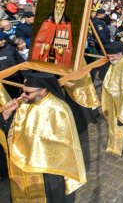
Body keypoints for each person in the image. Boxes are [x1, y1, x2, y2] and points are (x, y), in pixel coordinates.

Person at [0, 72, 87, 202]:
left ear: (43, 91)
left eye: (28, 93)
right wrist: (6, 117)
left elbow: (65, 145)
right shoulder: (24, 104)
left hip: (49, 169)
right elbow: (14, 130)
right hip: (25, 164)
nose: (22, 95)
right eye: (22, 91)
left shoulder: (58, 108)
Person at [31, 0, 73, 66]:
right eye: (58, 2)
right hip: (45, 59)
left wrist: (62, 51)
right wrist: (43, 46)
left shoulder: (67, 23)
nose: (60, 6)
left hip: (57, 61)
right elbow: (37, 43)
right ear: (54, 3)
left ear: (65, 4)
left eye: (62, 3)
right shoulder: (47, 21)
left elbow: (69, 47)